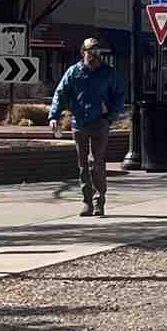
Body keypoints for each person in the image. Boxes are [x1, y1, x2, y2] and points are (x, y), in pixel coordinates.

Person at [49, 38, 129, 215]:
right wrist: (54, 116)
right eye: (91, 51)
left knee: (97, 162)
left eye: (97, 52)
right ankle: (87, 201)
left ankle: (99, 201)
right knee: (83, 164)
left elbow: (119, 96)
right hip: (79, 123)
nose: (94, 55)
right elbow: (61, 93)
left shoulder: (108, 73)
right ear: (83, 52)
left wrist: (109, 118)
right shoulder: (73, 72)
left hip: (100, 122)